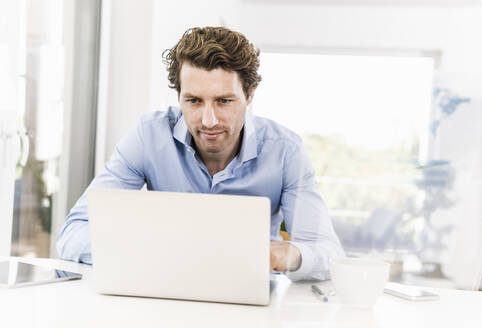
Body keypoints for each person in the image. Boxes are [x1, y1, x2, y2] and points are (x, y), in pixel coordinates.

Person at [57, 26, 345, 281]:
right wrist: (150, 251)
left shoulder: (285, 151)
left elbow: (327, 253)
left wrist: (288, 256)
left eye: (224, 101)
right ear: (179, 95)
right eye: (194, 101)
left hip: (250, 297)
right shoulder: (148, 135)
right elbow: (74, 234)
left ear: (250, 95)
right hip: (162, 292)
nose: (208, 120)